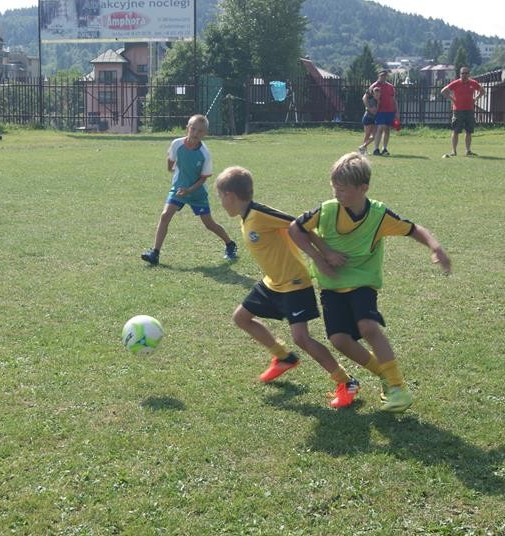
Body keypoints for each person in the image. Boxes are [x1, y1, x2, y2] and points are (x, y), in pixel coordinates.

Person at [288, 152, 451, 413]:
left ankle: (398, 388)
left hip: (363, 281)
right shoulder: (327, 209)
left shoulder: (378, 215)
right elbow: (295, 228)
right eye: (334, 187)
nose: (337, 194)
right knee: (339, 340)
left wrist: (435, 247)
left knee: (368, 327)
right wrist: (321, 256)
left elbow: (413, 229)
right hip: (331, 284)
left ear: (363, 188)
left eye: (343, 189)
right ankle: (384, 375)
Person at [215, 166, 360, 408]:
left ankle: (347, 382)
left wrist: (324, 254)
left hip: (294, 283)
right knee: (241, 317)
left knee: (301, 338)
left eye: (220, 197)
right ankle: (284, 357)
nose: (220, 203)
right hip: (273, 282)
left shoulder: (259, 214)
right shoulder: (246, 216)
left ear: (230, 195)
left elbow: (300, 225)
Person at [141, 114, 237, 265]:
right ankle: (155, 253)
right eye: (193, 129)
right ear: (187, 128)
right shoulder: (176, 144)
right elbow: (171, 161)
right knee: (165, 215)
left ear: (205, 134)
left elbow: (203, 178)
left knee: (209, 224)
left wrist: (189, 190)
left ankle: (230, 244)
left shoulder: (205, 153)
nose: (195, 133)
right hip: (178, 189)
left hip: (197, 193)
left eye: (200, 131)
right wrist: (172, 169)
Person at [441, 67, 486, 157]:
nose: (464, 75)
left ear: (469, 74)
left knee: (469, 131)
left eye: (466, 73)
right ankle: (454, 151)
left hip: (469, 110)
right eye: (463, 73)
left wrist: (476, 98)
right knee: (456, 131)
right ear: (460, 74)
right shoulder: (455, 83)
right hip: (458, 110)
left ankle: (468, 150)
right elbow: (443, 91)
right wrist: (452, 99)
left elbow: (482, 91)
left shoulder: (473, 83)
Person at [367, 70, 398, 157]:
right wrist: (369, 108)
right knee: (380, 128)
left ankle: (384, 148)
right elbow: (366, 96)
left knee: (387, 130)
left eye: (385, 76)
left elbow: (394, 100)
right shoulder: (374, 85)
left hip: (390, 111)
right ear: (378, 76)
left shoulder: (390, 86)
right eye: (381, 76)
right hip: (380, 111)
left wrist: (397, 112)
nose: (383, 77)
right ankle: (376, 149)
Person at [358, 86, 382, 155]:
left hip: (373, 119)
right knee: (367, 134)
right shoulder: (372, 101)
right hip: (368, 118)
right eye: (376, 94)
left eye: (378, 94)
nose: (377, 96)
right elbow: (374, 112)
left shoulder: (377, 101)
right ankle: (363, 150)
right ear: (373, 94)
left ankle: (363, 147)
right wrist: (378, 104)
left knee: (375, 135)